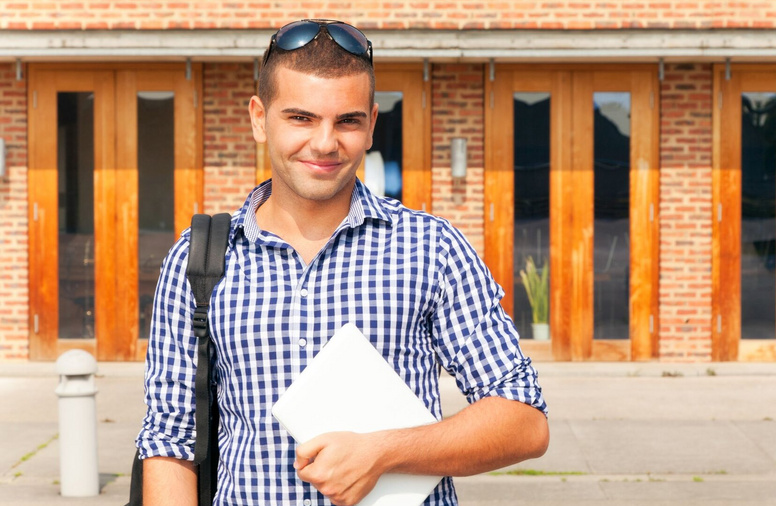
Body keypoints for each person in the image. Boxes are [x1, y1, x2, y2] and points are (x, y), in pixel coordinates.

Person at [137, 18, 549, 506]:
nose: (325, 143)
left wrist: (384, 452)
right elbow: (170, 441)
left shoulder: (431, 248)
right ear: (258, 117)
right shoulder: (198, 258)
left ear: (372, 124)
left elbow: (525, 420)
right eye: (301, 118)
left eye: (347, 121)